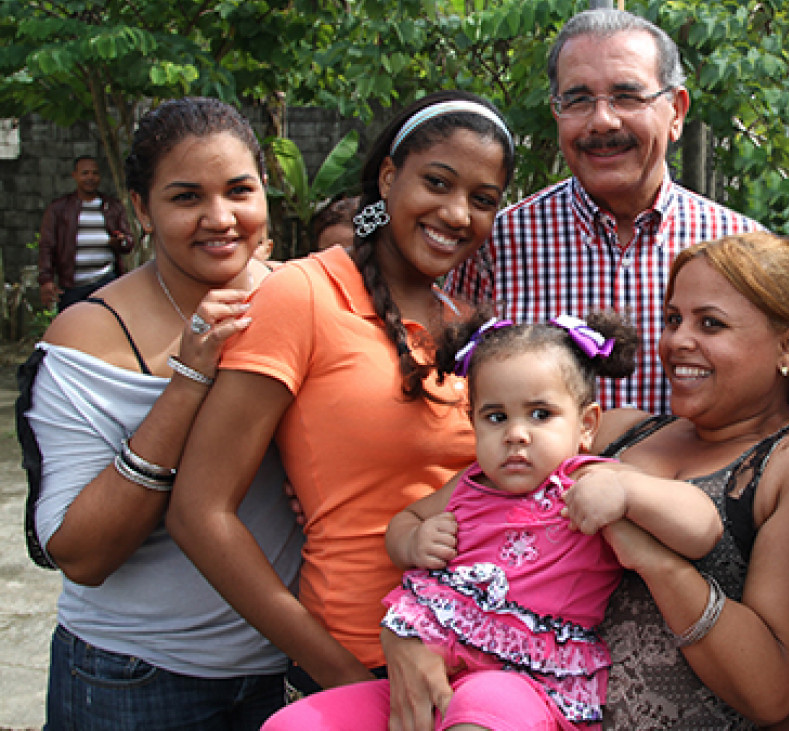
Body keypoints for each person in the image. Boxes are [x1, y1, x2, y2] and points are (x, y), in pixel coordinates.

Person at [385, 231, 789, 729]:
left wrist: (652, 559)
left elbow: (771, 691)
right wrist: (411, 636)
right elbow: (477, 517)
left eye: (710, 323)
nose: (678, 341)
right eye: (673, 320)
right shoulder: (618, 429)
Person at [167, 92, 516, 691]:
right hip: (358, 659)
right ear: (387, 177)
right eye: (438, 182)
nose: (458, 214)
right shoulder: (302, 294)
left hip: (476, 666)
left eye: (482, 200)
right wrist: (341, 674)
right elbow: (199, 513)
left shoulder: (467, 324)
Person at [263, 311, 724, 730]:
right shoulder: (470, 484)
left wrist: (628, 491)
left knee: (481, 711)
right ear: (473, 423)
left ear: (586, 425)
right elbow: (403, 520)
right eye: (496, 417)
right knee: (291, 724)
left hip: (526, 686)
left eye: (541, 415)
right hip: (429, 676)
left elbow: (703, 528)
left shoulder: (584, 481)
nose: (516, 434)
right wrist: (415, 540)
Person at [21, 97, 300, 729]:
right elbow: (82, 554)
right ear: (142, 210)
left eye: (239, 190)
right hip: (134, 680)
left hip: (285, 676)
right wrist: (190, 378)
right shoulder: (89, 335)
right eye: (185, 198)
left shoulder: (303, 299)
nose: (220, 218)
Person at [445, 7, 761, 416]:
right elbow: (454, 399)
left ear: (677, 112)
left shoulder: (740, 247)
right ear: (557, 112)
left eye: (627, 97)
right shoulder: (496, 245)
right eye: (578, 100)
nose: (603, 121)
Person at [38, 155, 136, 310]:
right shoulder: (59, 209)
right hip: (72, 285)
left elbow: (128, 243)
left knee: (107, 328)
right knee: (72, 330)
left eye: (95, 173)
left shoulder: (112, 207)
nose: (90, 177)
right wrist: (46, 280)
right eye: (85, 173)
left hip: (106, 282)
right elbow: (47, 245)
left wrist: (120, 241)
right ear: (74, 176)